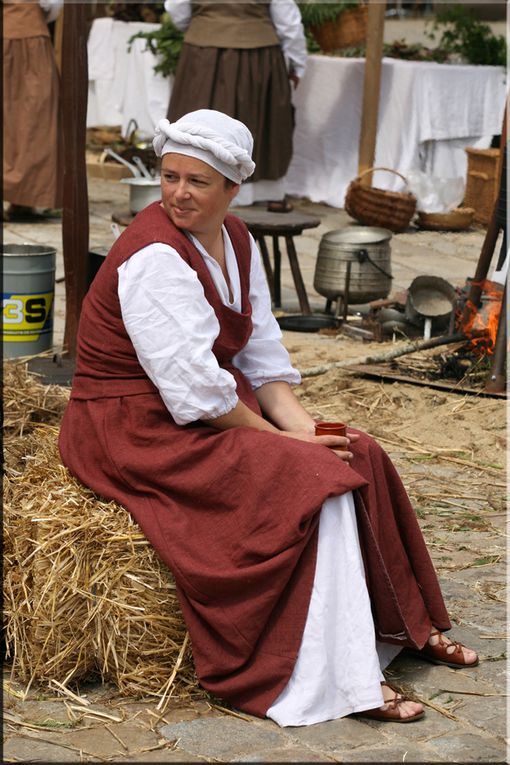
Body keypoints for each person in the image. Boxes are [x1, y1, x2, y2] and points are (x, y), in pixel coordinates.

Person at [58, 109, 478, 726]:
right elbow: (196, 392)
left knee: (358, 451)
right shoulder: (153, 257)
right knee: (313, 480)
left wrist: (304, 428)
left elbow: (260, 356)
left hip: (200, 413)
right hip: (133, 428)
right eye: (169, 176)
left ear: (233, 190)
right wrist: (292, 450)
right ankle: (342, 676)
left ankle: (403, 628)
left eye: (197, 182)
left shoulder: (237, 240)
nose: (177, 193)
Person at [164, 0, 307, 209]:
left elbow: (176, 9)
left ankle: (196, 186)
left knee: (199, 118)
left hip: (204, 52)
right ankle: (264, 191)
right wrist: (297, 63)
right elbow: (289, 22)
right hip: (257, 56)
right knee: (258, 120)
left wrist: (208, 27)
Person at [3, 0, 63, 222]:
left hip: (22, 33)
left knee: (16, 117)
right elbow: (52, 5)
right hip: (30, 39)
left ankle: (21, 198)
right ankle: (22, 199)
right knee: (34, 117)